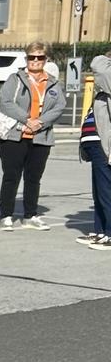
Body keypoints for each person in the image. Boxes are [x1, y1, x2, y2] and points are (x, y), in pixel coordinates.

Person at [0, 41, 65, 231]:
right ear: (26, 59)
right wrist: (27, 120)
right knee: (11, 176)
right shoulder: (15, 78)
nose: (35, 61)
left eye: (40, 57)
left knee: (34, 178)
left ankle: (30, 215)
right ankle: (6, 215)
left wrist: (41, 122)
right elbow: (6, 103)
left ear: (46, 59)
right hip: (15, 136)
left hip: (41, 136)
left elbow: (60, 105)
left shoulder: (53, 82)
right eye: (32, 57)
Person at [78, 54, 111, 249]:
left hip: (105, 146)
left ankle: (110, 233)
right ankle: (100, 230)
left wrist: (107, 56)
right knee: (99, 190)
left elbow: (98, 65)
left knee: (106, 190)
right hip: (96, 145)